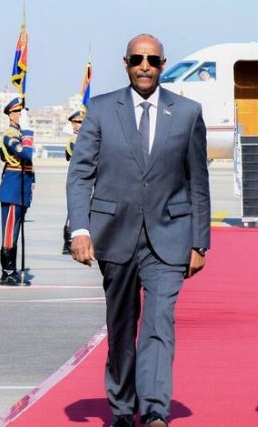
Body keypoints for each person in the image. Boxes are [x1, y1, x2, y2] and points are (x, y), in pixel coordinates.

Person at [67, 34, 211, 427]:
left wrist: (200, 242)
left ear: (163, 65)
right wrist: (80, 230)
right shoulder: (100, 110)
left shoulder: (187, 113)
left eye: (151, 60)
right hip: (114, 235)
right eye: (136, 59)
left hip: (170, 237)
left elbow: (197, 181)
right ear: (126, 63)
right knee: (121, 326)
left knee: (159, 323)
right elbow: (80, 175)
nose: (144, 66)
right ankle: (121, 407)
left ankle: (154, 411)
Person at [0, 98, 34, 287]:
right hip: (13, 188)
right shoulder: (10, 135)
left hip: (21, 188)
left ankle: (12, 270)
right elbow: (26, 154)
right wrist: (27, 132)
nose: (22, 116)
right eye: (19, 112)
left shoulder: (19, 134)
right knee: (10, 232)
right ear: (11, 115)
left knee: (15, 231)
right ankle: (8, 272)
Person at [61, 110, 84, 255]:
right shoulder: (73, 141)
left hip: (85, 178)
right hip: (76, 178)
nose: (81, 125)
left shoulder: (84, 139)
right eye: (78, 122)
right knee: (73, 210)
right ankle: (68, 242)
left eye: (82, 122)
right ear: (73, 124)